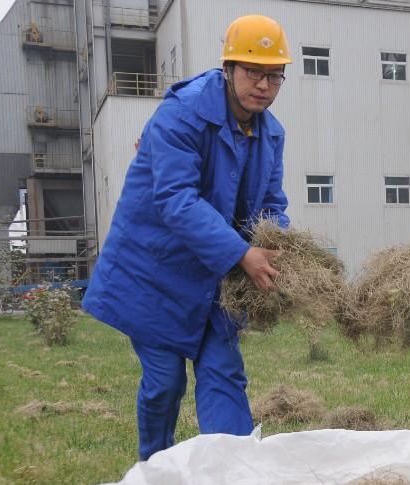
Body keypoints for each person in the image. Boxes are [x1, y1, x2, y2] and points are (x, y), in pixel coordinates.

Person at [83, 15, 291, 460]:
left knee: (223, 372)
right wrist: (241, 253)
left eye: (275, 76)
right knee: (165, 381)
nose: (264, 85)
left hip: (218, 276)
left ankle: (231, 475)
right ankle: (154, 469)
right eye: (254, 72)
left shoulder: (271, 133)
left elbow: (272, 205)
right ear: (229, 68)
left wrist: (282, 249)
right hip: (156, 269)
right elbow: (176, 200)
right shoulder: (182, 114)